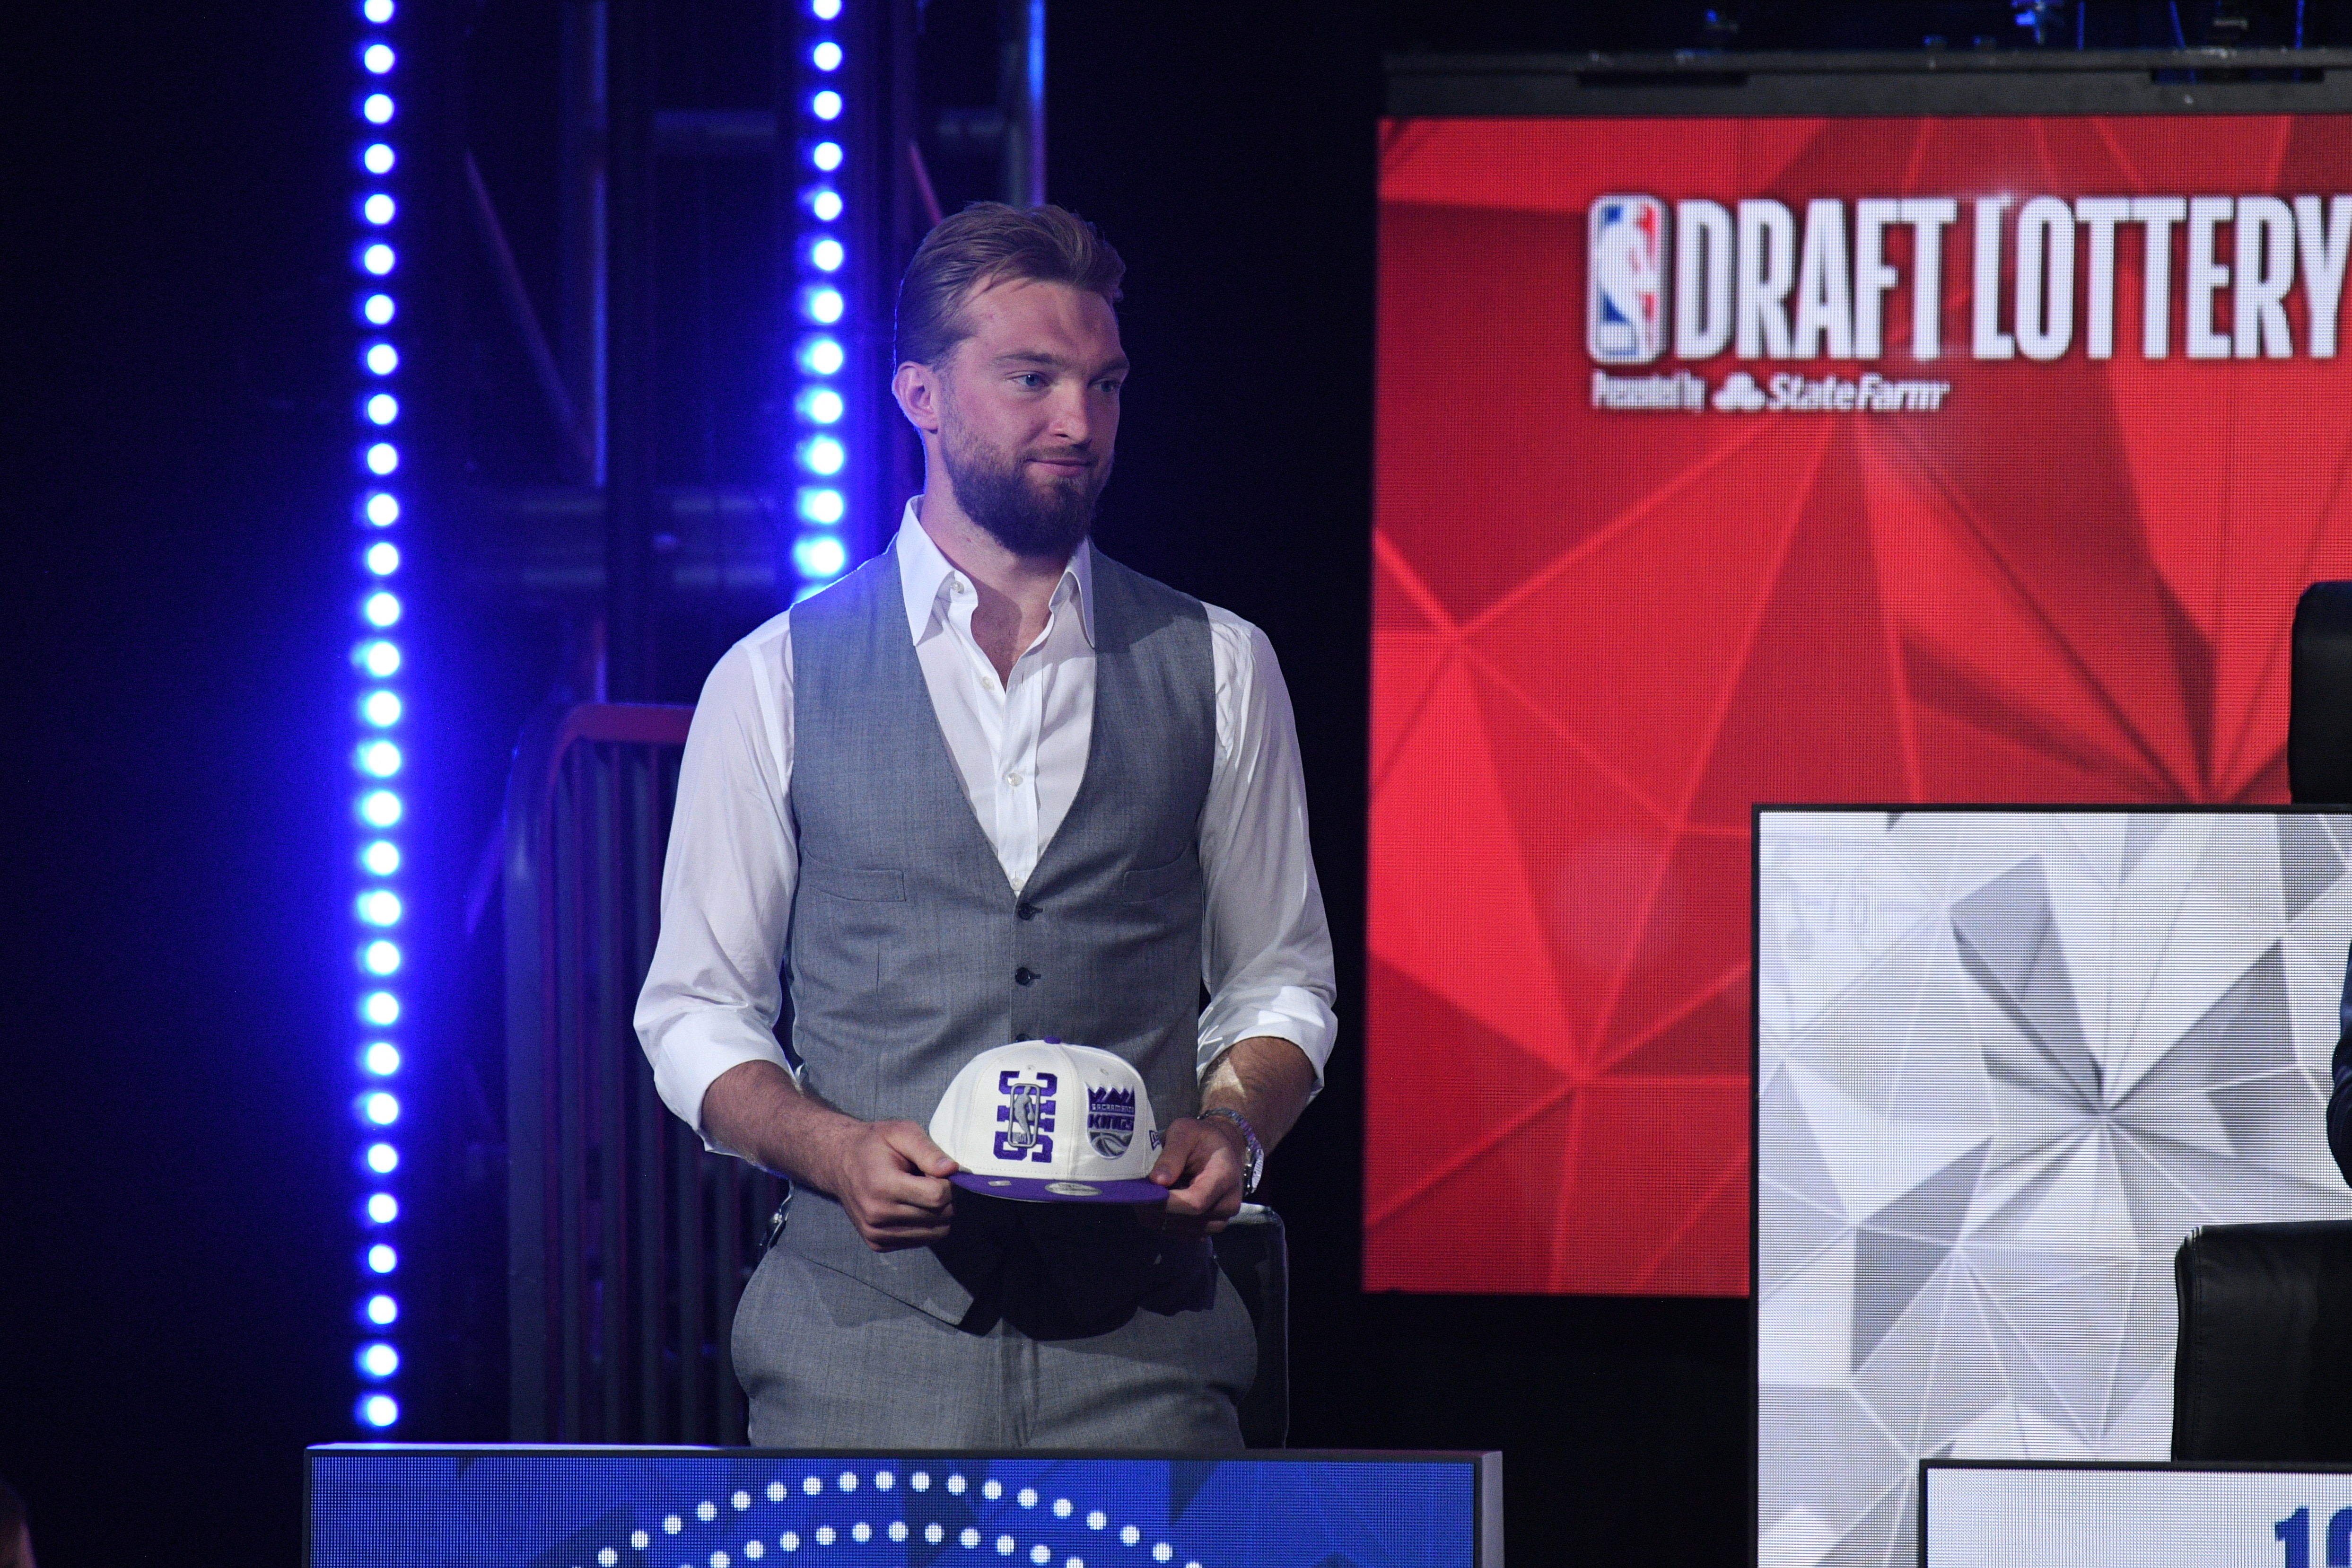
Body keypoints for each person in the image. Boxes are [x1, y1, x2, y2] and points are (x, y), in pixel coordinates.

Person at [635, 202, 1336, 1448]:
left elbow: (1281, 985)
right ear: (919, 392)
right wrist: (830, 1145)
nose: (1082, 421)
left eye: (1106, 383)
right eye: (1034, 379)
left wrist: (1233, 1127)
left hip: (1147, 1365)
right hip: (858, 1356)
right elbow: (695, 1012)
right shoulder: (775, 674)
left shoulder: (1221, 663)